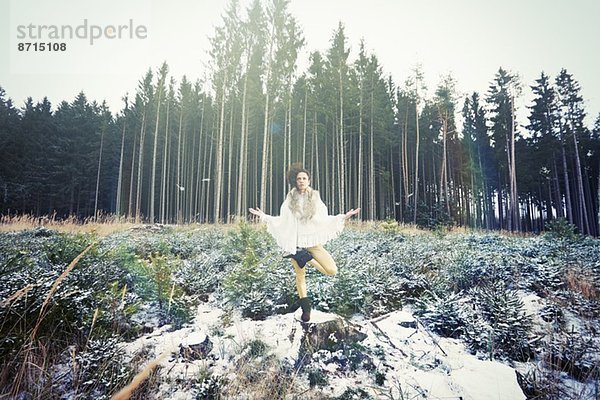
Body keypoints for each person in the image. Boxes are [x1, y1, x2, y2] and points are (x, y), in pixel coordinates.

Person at [249, 164, 360, 322]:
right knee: (300, 276)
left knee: (332, 270)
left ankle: (307, 258)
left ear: (309, 180)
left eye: (304, 178)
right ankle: (306, 310)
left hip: (312, 242)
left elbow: (323, 218)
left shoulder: (315, 197)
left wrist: (343, 217)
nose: (301, 181)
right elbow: (282, 220)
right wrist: (264, 216)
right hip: (296, 245)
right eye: (299, 178)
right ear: (295, 181)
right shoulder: (290, 198)